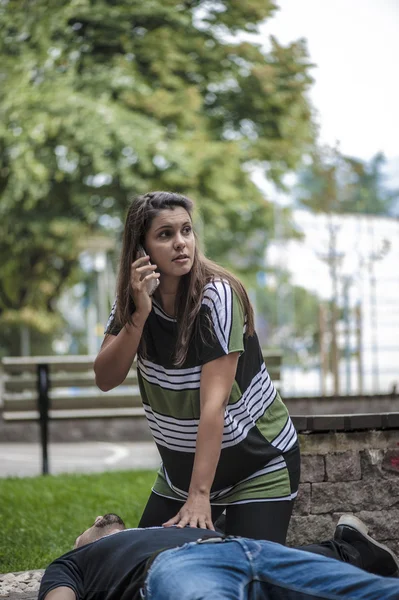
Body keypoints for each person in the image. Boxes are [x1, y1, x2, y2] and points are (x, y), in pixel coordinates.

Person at [94, 191, 300, 543]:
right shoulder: (132, 302)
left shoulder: (216, 296)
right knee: (140, 562)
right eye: (165, 234)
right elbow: (105, 378)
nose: (180, 243)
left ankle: (348, 550)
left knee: (254, 572)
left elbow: (213, 405)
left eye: (186, 231)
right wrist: (139, 316)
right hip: (182, 474)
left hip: (256, 464)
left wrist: (200, 497)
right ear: (140, 250)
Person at [38, 513, 399, 600]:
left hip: (234, 551)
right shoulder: (74, 563)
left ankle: (350, 551)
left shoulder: (73, 562)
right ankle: (349, 550)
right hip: (199, 563)